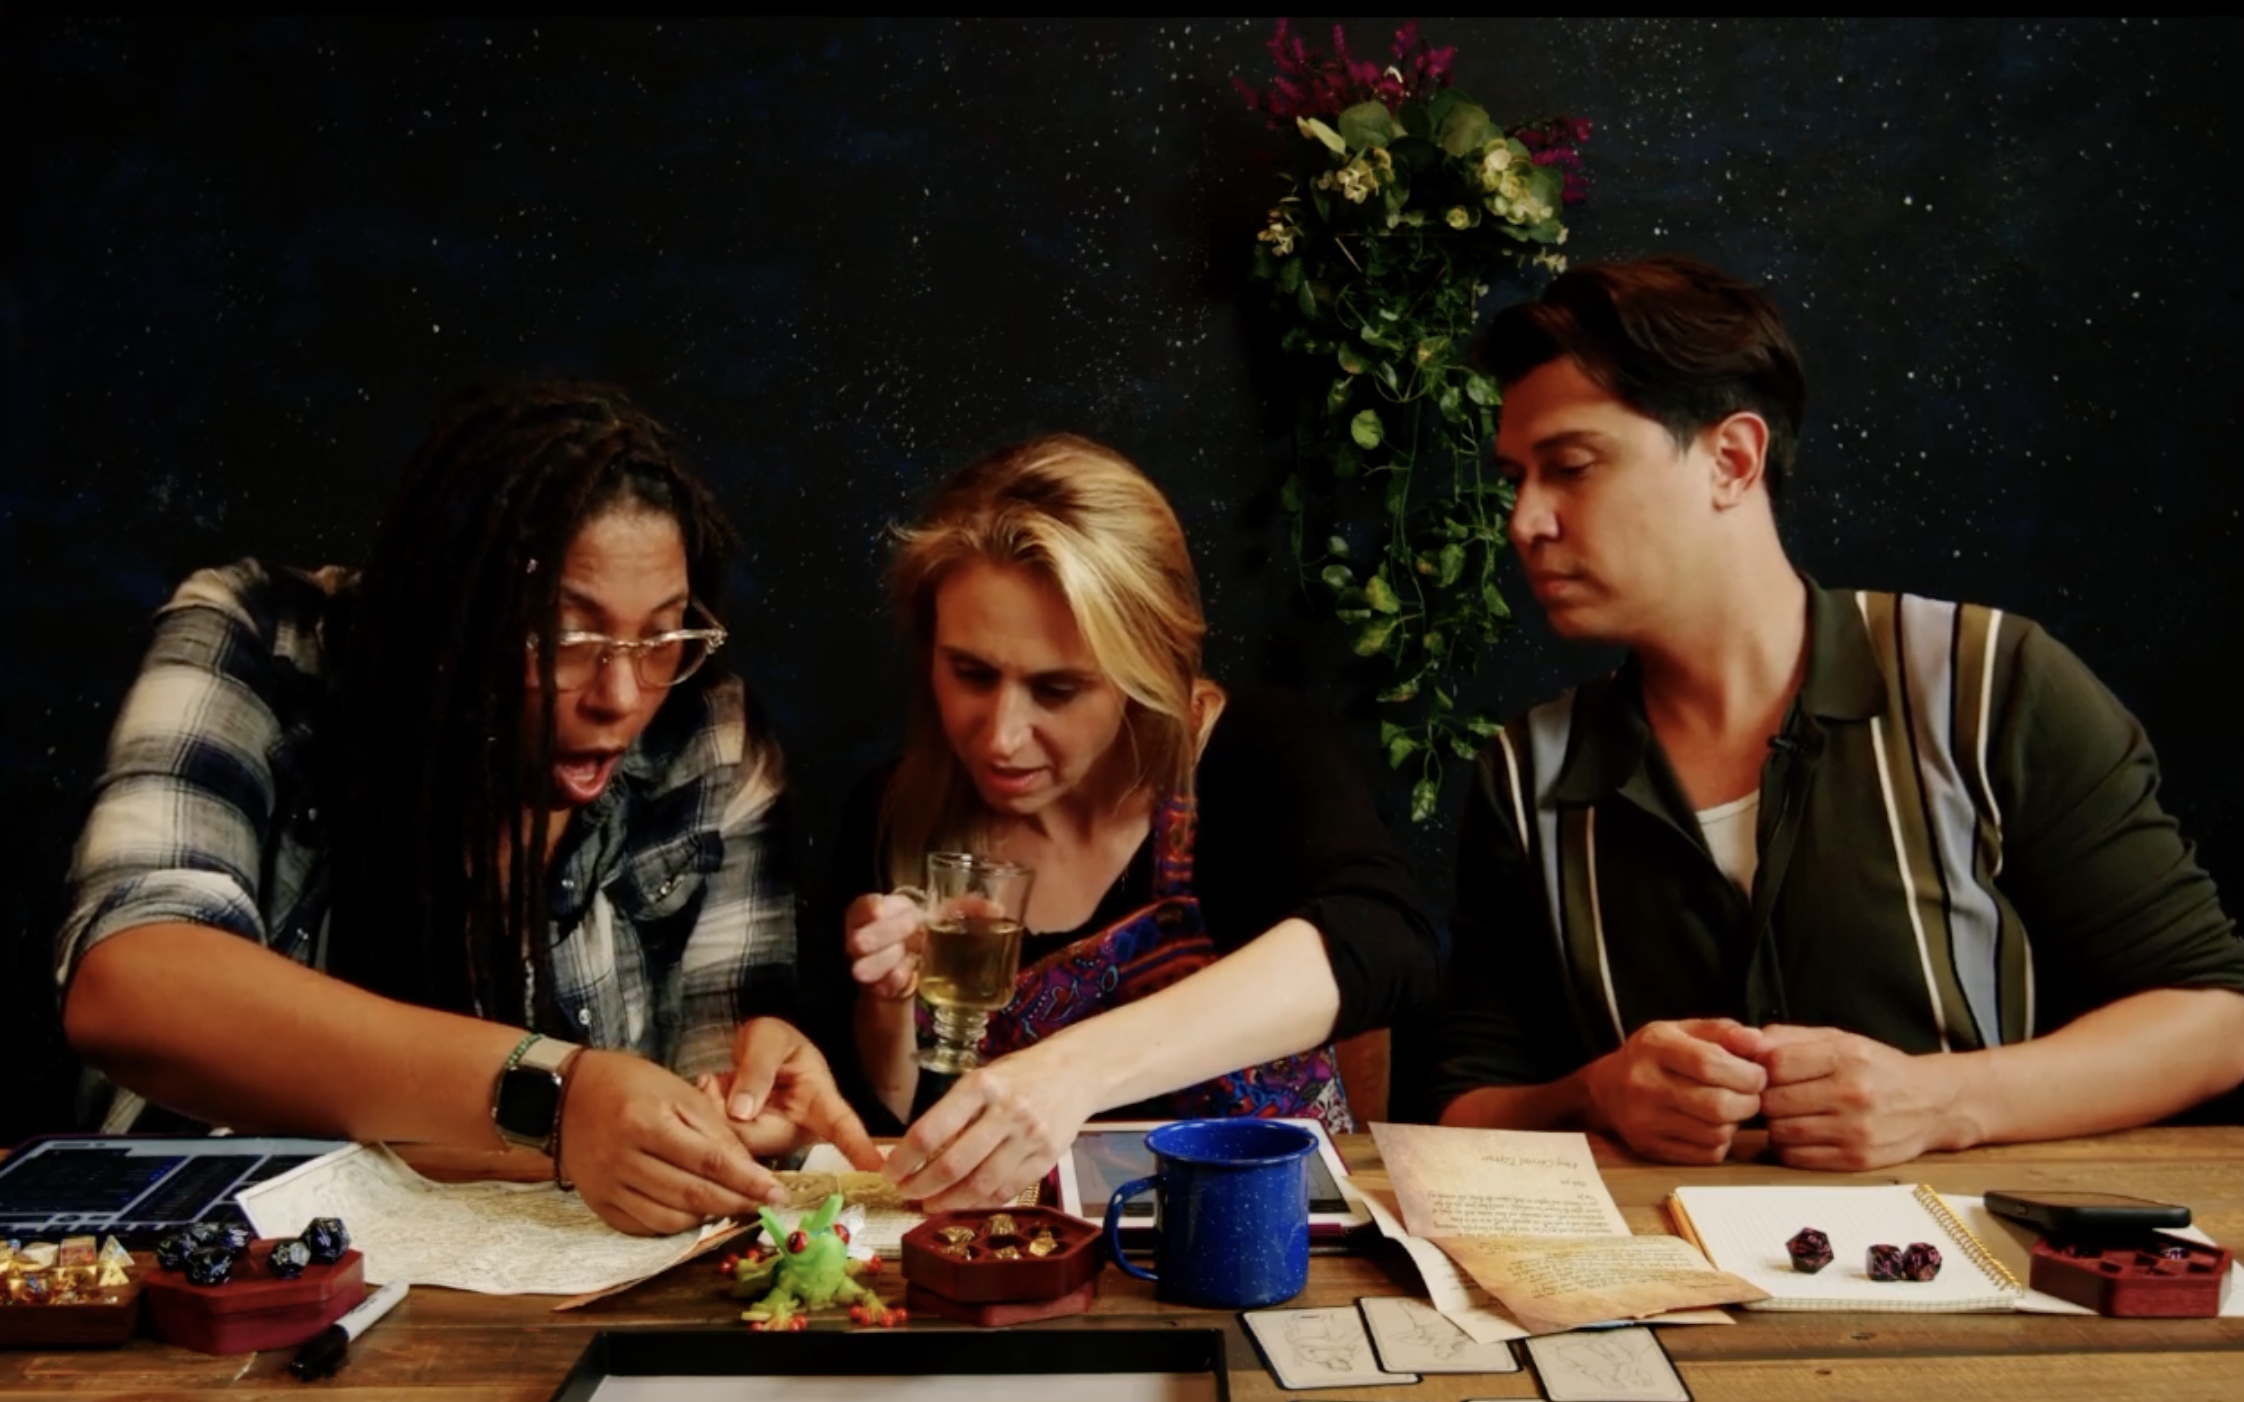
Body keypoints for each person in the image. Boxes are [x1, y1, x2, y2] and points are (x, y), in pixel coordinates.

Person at [1431, 256, 2244, 1169]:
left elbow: (2215, 1018)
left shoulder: (1989, 684)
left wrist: (1941, 1103)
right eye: (1516, 479)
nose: (1524, 521)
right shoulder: (1526, 774)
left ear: (1732, 460)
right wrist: (1595, 1094)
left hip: (1962, 1259)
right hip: (1651, 1263)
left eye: (1572, 467)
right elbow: (1461, 1106)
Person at [56, 380, 876, 1236]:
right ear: (445, 613)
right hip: (210, 1272)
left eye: (660, 637)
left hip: (540, 1293)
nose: (621, 695)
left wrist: (739, 1114)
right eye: (565, 637)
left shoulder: (705, 739)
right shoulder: (262, 649)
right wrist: (552, 1096)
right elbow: (132, 987)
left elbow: (700, 1126)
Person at [809, 434, 1441, 1209]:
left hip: (1266, 1249)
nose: (1000, 736)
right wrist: (888, 1005)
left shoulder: (1256, 757)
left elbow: (1385, 939)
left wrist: (1072, 1071)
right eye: (971, 673)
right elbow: (890, 1129)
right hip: (1014, 1260)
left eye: (1058, 690)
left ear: (1146, 670)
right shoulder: (895, 813)